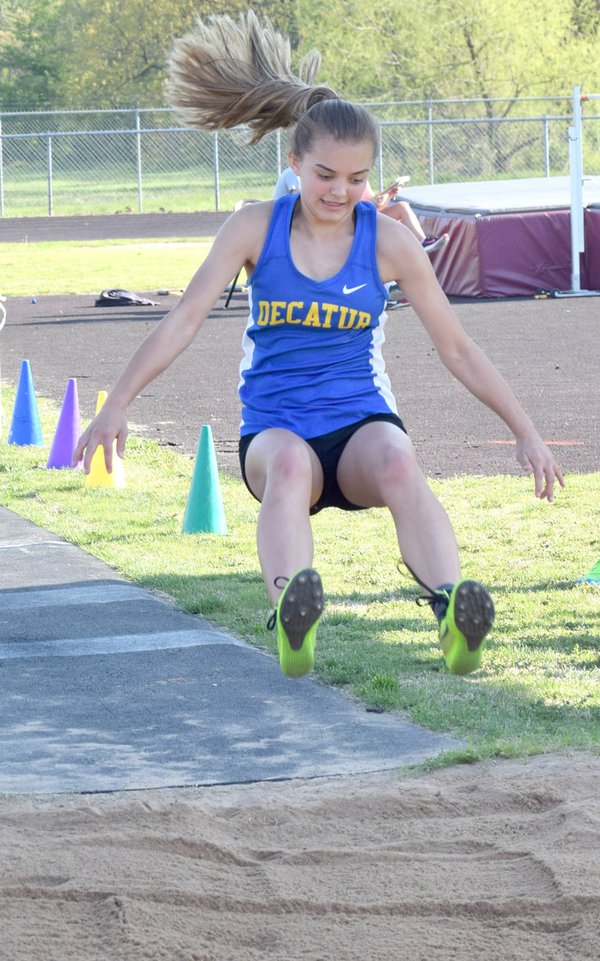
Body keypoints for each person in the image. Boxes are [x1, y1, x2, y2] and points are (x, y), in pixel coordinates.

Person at [73, 11, 564, 681]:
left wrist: (525, 430)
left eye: (357, 179)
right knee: (292, 471)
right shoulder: (253, 227)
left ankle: (452, 617)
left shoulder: (387, 241)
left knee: (398, 459)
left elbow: (457, 347)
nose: (340, 192)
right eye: (326, 175)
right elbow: (184, 319)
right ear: (295, 163)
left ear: (372, 176)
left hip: (359, 423)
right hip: (276, 428)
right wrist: (118, 401)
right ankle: (291, 621)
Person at [362, 179, 449, 254]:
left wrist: (390, 194)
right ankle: (421, 244)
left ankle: (422, 242)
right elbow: (351, 211)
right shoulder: (351, 182)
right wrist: (371, 203)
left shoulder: (364, 180)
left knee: (402, 206)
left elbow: (376, 208)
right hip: (359, 223)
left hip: (371, 217)